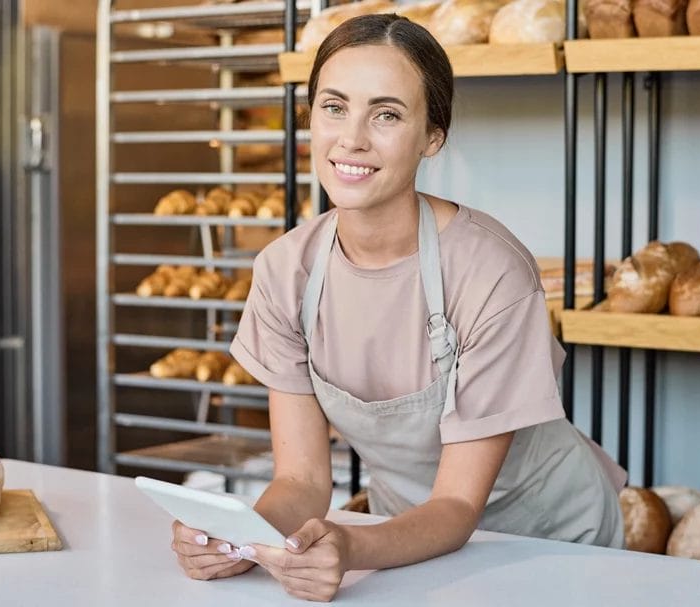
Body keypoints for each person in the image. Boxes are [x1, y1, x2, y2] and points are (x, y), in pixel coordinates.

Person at [169, 13, 625, 602]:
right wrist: (238, 540)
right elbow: (302, 480)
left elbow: (459, 505)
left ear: (432, 136)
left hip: (551, 540)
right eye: (334, 108)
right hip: (408, 542)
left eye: (386, 114)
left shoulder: (490, 271)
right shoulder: (287, 272)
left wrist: (352, 547)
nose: (352, 138)